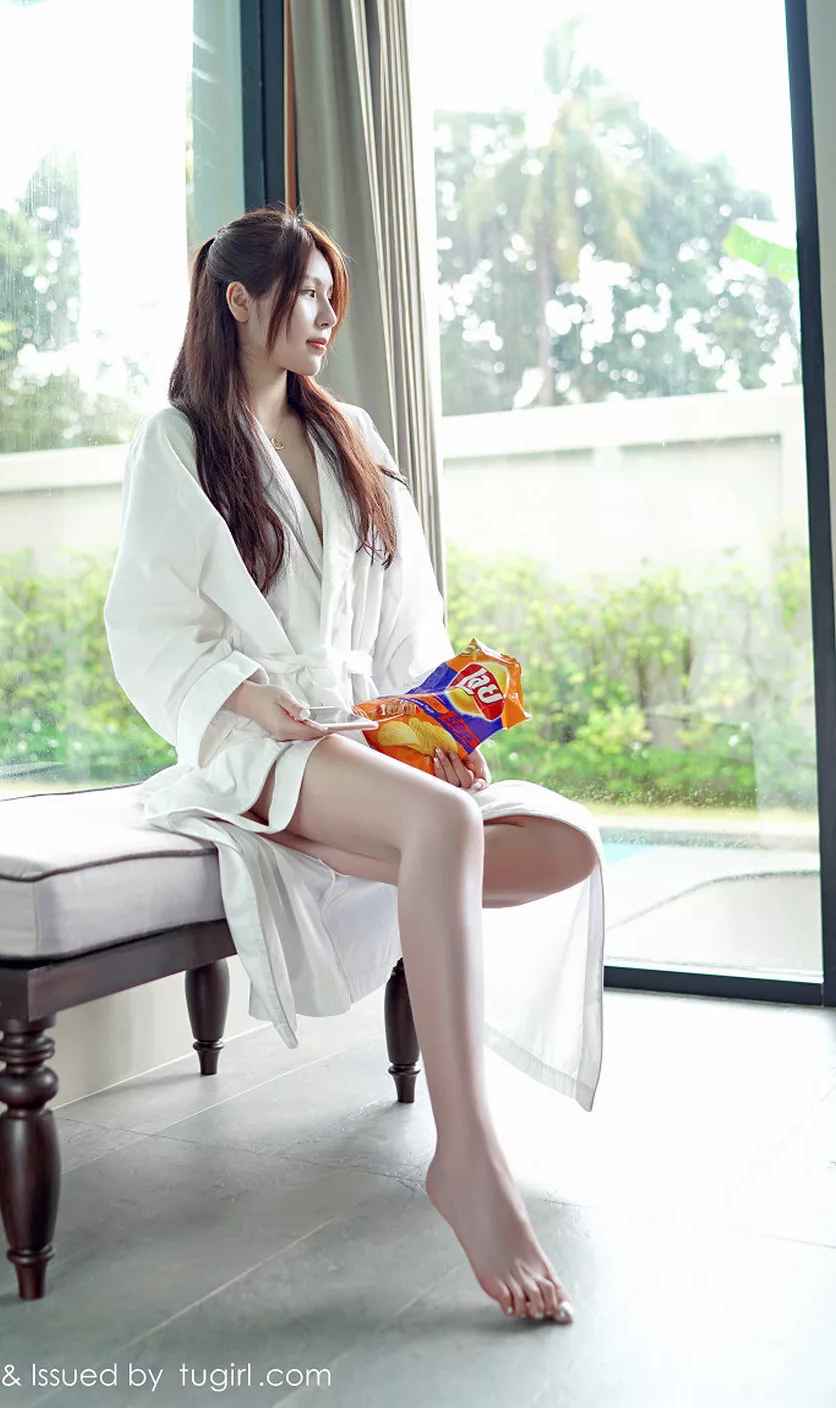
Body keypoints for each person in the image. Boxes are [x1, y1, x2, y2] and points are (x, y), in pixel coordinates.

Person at [104, 205, 606, 1326]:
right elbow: (148, 626)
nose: (327, 316)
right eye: (307, 295)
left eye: (335, 297)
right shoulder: (177, 442)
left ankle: (391, 849)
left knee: (564, 844)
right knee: (444, 830)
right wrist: (249, 695)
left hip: (364, 733)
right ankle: (467, 1156)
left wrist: (437, 736)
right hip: (259, 735)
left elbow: (409, 618)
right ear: (239, 299)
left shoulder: (350, 432)